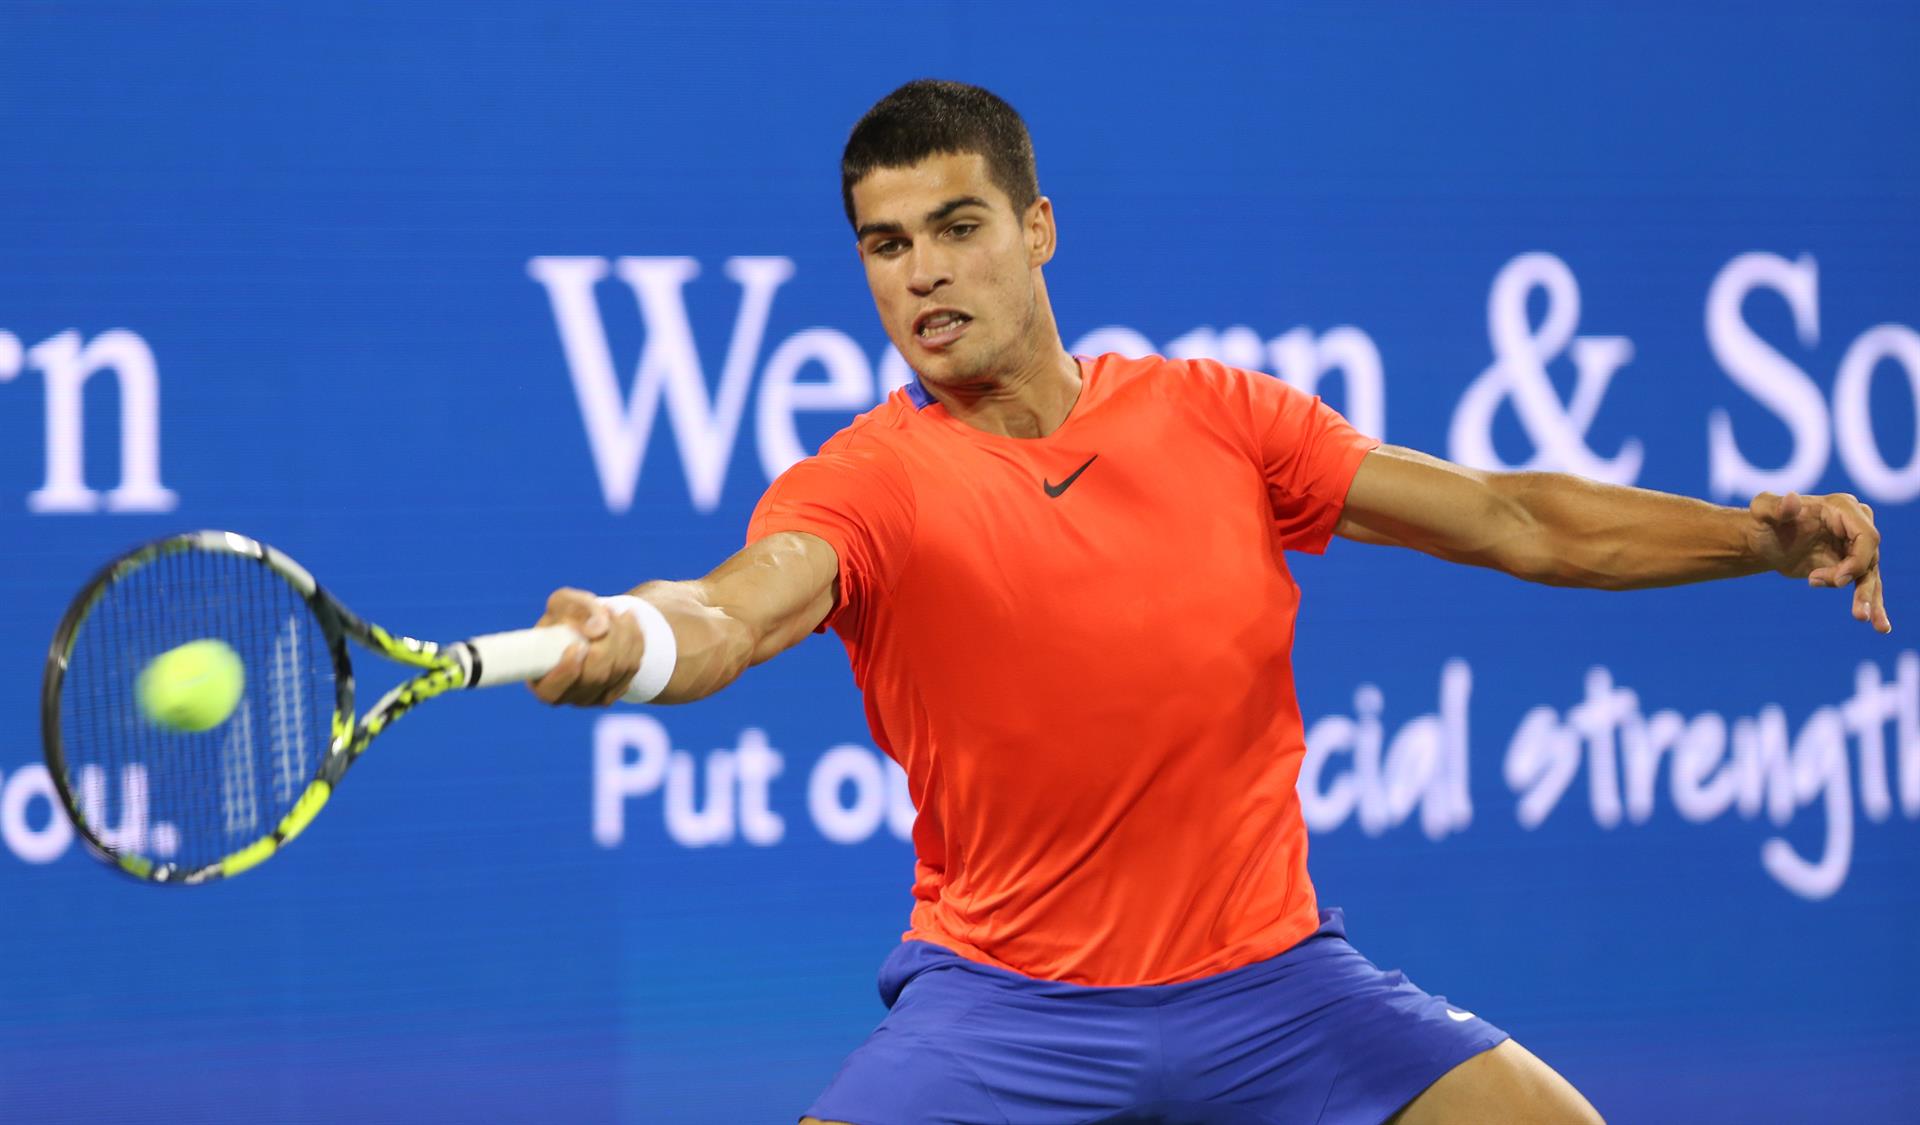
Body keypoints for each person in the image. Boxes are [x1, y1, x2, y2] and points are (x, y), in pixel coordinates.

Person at [528, 80, 1888, 1125]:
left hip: (1274, 988)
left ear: (1037, 228)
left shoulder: (1216, 418)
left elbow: (1515, 518)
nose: (923, 272)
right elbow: (740, 609)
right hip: (1011, 1010)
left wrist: (1751, 539)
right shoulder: (869, 482)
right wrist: (637, 644)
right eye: (886, 246)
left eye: (957, 227)